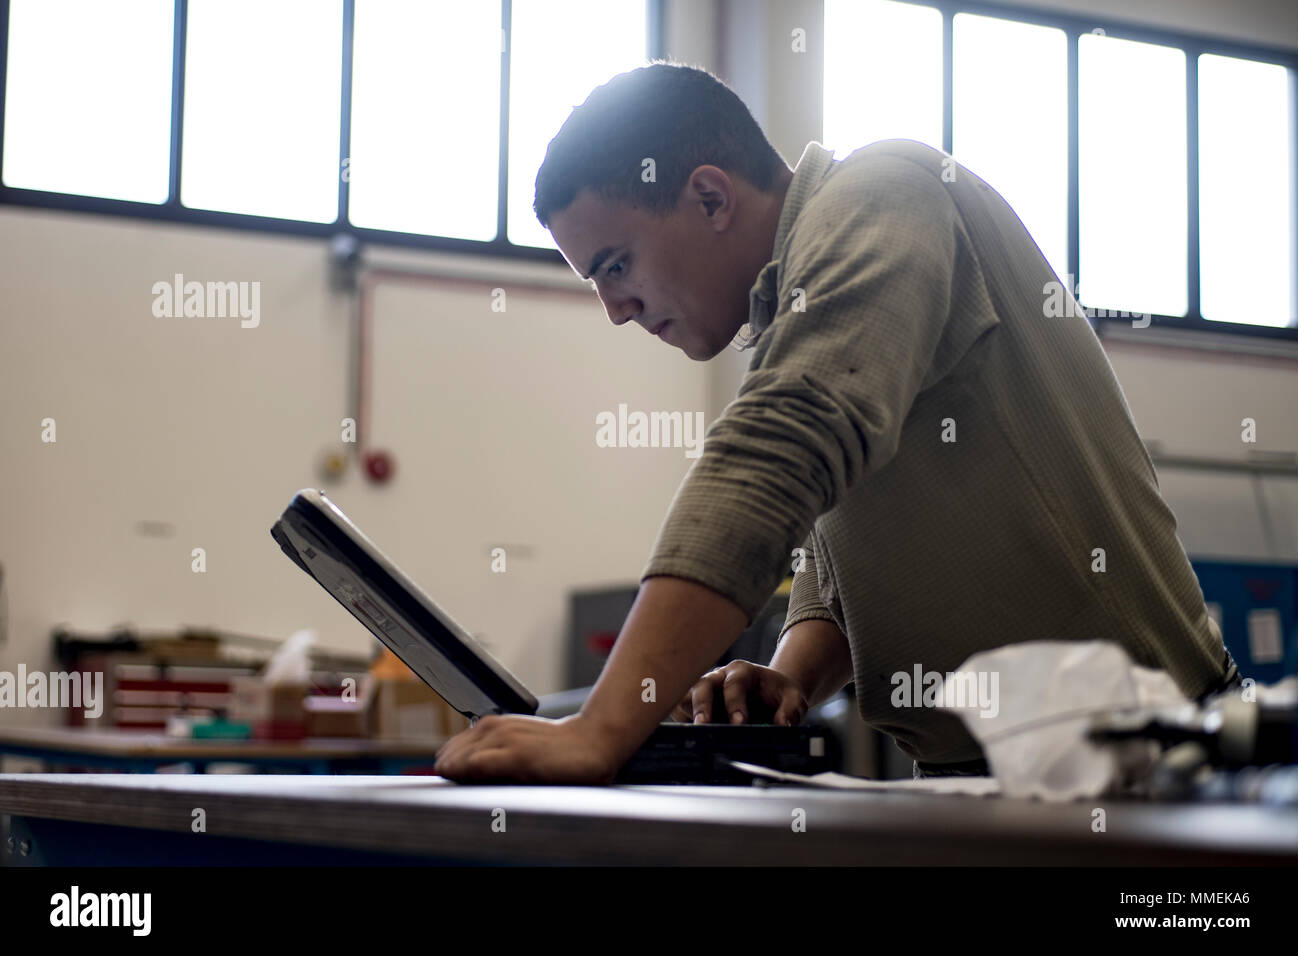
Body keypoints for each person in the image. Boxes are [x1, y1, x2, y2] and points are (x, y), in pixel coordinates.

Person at [433, 61, 1239, 784]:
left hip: (1157, 771)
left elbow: (788, 443)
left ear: (711, 196)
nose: (615, 310)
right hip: (986, 781)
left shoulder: (883, 193)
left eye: (616, 266)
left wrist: (601, 730)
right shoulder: (798, 314)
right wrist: (789, 674)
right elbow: (846, 543)